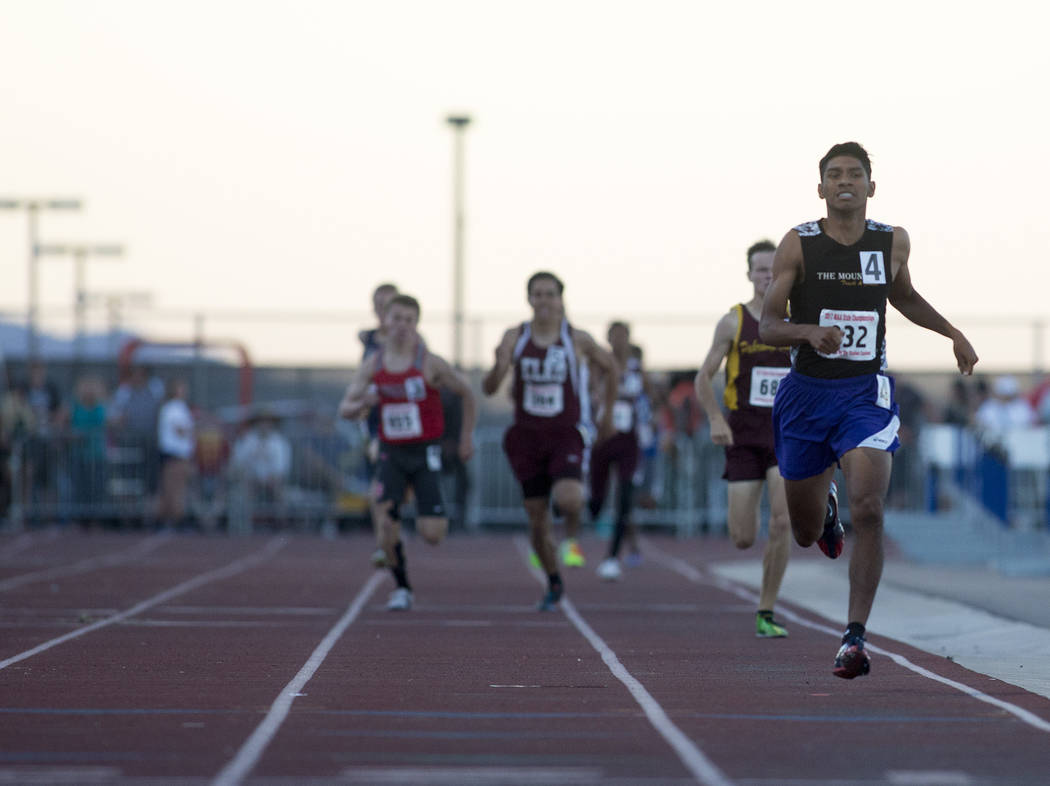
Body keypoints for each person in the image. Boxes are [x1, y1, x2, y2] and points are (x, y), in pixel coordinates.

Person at [759, 141, 978, 679]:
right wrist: (808, 331)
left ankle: (854, 637)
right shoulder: (799, 245)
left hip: (865, 393)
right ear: (821, 189)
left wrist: (951, 332)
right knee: (807, 532)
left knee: (873, 508)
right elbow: (767, 325)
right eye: (834, 174)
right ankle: (825, 509)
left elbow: (902, 295)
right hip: (807, 395)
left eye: (855, 173)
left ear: (870, 187)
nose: (844, 181)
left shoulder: (891, 241)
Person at [482, 272, 617, 610]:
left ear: (561, 299)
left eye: (550, 294)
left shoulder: (577, 339)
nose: (543, 301)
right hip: (526, 437)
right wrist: (500, 367)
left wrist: (608, 411)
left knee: (570, 499)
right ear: (529, 300)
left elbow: (611, 367)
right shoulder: (515, 336)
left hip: (564, 433)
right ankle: (554, 579)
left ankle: (569, 530)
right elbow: (488, 387)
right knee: (536, 516)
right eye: (537, 294)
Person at [339, 294, 477, 611]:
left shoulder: (429, 363)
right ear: (385, 321)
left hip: (425, 452)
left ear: (416, 324)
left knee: (433, 534)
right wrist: (364, 404)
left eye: (408, 320)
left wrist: (466, 437)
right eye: (396, 318)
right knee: (384, 519)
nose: (401, 326)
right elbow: (345, 407)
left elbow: (467, 392)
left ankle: (415, 510)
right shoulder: (373, 365)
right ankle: (402, 587)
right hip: (391, 451)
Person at [695, 240, 792, 638]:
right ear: (749, 274)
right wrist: (716, 418)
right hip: (744, 434)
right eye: (760, 269)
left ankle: (765, 611)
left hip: (787, 435)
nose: (767, 275)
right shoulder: (732, 322)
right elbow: (703, 376)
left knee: (782, 524)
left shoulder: (797, 319)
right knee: (742, 537)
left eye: (773, 269)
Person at [589, 321, 656, 581]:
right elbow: (592, 387)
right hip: (603, 438)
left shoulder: (638, 367)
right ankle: (589, 513)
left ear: (629, 338)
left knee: (625, 498)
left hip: (629, 440)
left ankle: (611, 557)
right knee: (596, 500)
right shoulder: (601, 363)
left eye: (623, 335)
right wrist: (598, 396)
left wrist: (652, 415)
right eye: (614, 335)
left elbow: (651, 395)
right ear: (607, 338)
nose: (618, 340)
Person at [359, 283, 399, 566]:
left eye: (389, 303)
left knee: (395, 493)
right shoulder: (369, 341)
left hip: (408, 428)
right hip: (376, 427)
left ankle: (392, 535)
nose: (383, 309)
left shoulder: (413, 342)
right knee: (378, 489)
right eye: (379, 303)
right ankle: (382, 544)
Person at [156, 379, 195, 529]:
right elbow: (179, 430)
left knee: (172, 488)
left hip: (177, 454)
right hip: (175, 454)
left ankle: (167, 519)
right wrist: (195, 429)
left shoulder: (176, 407)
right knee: (175, 489)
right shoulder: (174, 407)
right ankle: (176, 519)